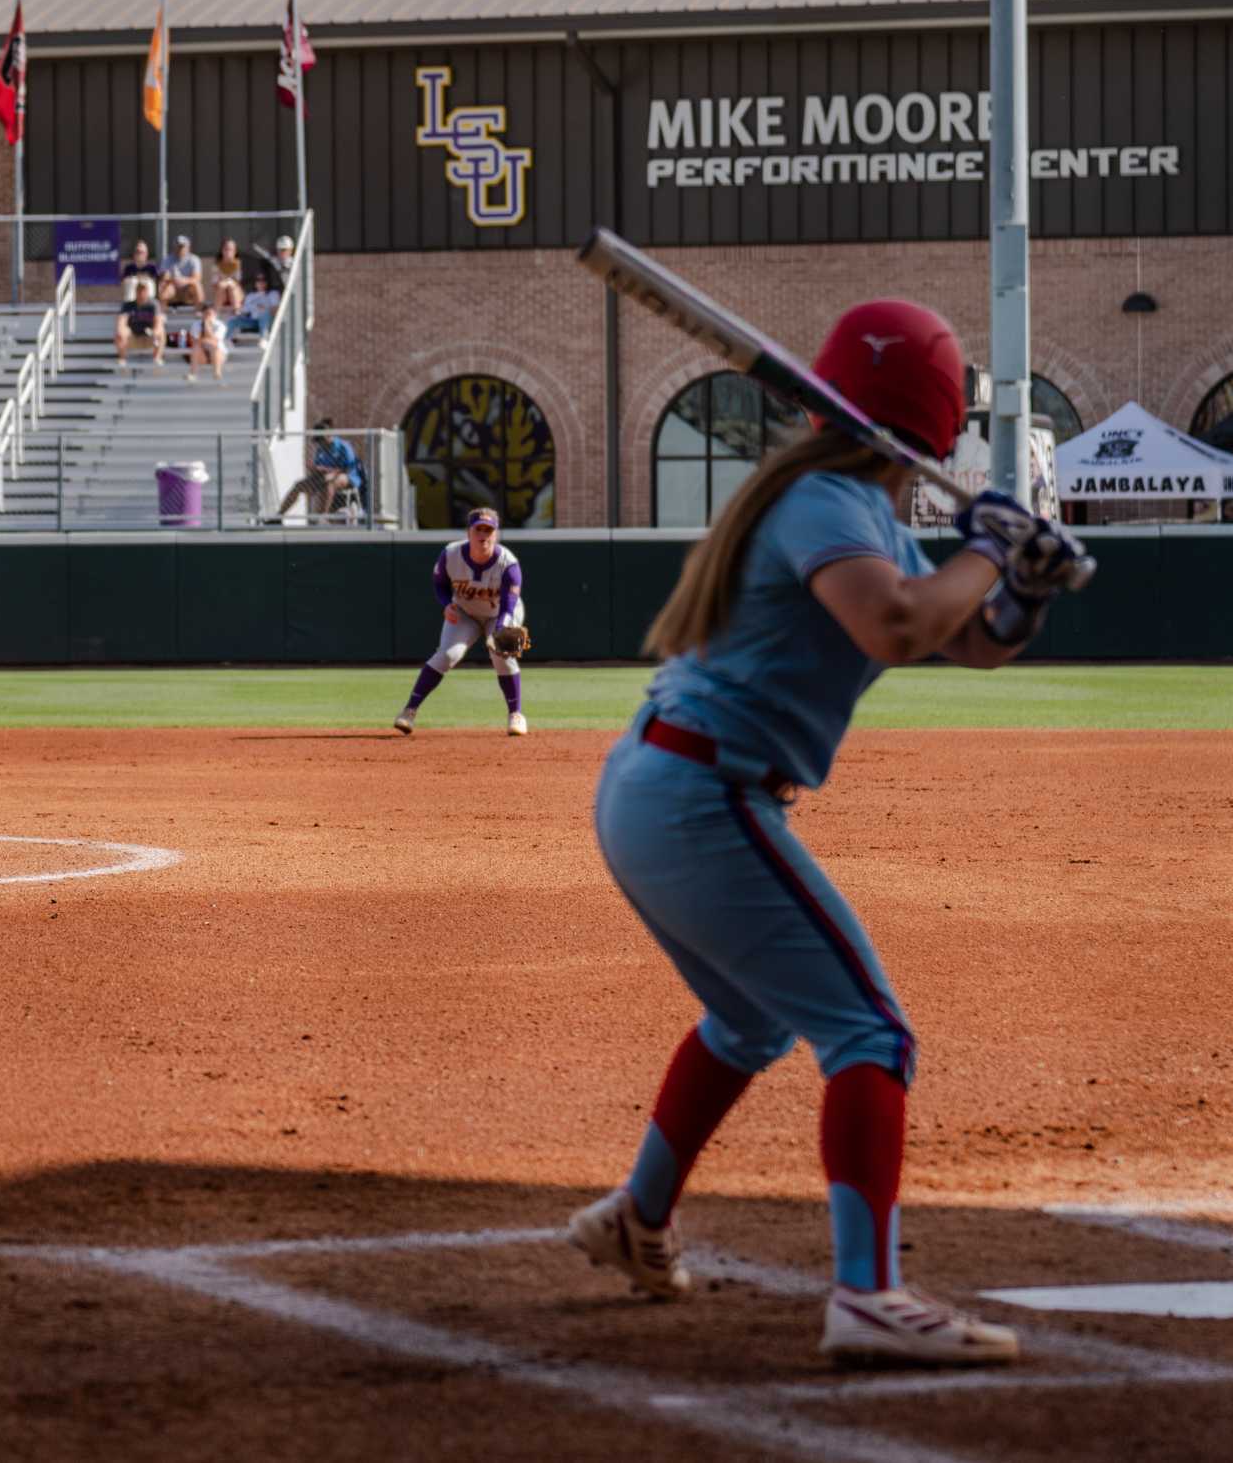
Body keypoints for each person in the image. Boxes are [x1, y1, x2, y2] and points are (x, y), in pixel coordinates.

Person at [566, 300, 1091, 1367]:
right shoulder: (826, 504)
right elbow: (893, 625)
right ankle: (866, 1295)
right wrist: (990, 551)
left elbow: (964, 638)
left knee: (752, 1024)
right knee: (870, 1034)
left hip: (668, 785)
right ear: (937, 425)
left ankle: (637, 1218)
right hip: (701, 797)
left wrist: (1018, 591)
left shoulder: (849, 508)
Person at [391, 508, 525, 736]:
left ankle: (516, 714)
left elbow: (509, 605)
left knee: (501, 656)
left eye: (489, 530)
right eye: (478, 529)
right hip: (465, 613)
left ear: (496, 534)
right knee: (447, 655)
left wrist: (501, 628)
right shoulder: (450, 554)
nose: (483, 534)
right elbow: (440, 584)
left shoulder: (508, 564)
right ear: (469, 532)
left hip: (499, 614)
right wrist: (446, 604)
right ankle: (409, 711)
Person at [271, 418, 363, 522]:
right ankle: (279, 516)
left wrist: (332, 473)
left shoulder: (343, 446)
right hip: (324, 477)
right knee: (298, 486)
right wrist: (315, 469)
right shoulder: (321, 449)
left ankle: (322, 518)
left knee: (330, 484)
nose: (320, 444)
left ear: (328, 436)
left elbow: (349, 467)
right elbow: (319, 467)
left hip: (346, 477)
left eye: (321, 441)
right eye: (318, 442)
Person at [115, 278, 164, 368]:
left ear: (148, 291)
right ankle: (122, 359)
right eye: (139, 290)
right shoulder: (127, 305)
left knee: (161, 331)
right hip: (133, 337)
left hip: (149, 337)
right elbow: (121, 321)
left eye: (144, 290)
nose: (141, 293)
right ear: (135, 291)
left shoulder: (154, 304)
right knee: (120, 332)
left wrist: (155, 332)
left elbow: (158, 322)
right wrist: (122, 330)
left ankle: (157, 358)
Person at [159, 235, 204, 308]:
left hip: (187, 292)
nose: (180, 249)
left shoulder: (194, 259)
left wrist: (184, 280)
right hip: (173, 291)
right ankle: (161, 313)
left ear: (188, 247)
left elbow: (197, 278)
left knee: (197, 285)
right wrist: (173, 280)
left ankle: (200, 311)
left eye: (182, 246)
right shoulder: (167, 259)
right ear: (174, 247)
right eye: (178, 246)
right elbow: (164, 277)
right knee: (163, 285)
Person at [186, 304, 227, 383]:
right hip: (202, 353)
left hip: (218, 355)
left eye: (210, 313)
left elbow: (215, 341)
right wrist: (205, 338)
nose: (207, 316)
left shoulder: (220, 325)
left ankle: (217, 372)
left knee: (215, 348)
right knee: (196, 348)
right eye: (206, 313)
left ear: (215, 314)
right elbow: (195, 341)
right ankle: (193, 373)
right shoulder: (196, 324)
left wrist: (207, 326)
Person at [234, 272, 280, 340]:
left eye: (264, 280)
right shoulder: (250, 296)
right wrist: (253, 307)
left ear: (267, 282)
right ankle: (228, 341)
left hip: (267, 320)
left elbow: (276, 309)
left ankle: (264, 338)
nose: (261, 282)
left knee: (265, 314)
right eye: (258, 280)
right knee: (233, 320)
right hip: (253, 321)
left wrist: (265, 309)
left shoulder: (273, 294)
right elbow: (244, 310)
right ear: (255, 283)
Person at [118, 238, 161, 303]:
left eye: (142, 252)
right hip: (133, 296)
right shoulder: (129, 268)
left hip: (147, 294)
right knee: (132, 281)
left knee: (149, 283)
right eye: (137, 252)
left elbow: (156, 281)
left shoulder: (152, 267)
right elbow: (123, 281)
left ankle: (149, 305)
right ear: (134, 254)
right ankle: (129, 306)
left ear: (146, 254)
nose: (139, 254)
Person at [210, 238, 247, 312]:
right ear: (222, 250)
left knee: (231, 286)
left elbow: (238, 283)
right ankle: (215, 313)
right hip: (222, 295)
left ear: (235, 251)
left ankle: (237, 311)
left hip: (237, 294)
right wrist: (223, 283)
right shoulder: (217, 265)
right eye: (226, 249)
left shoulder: (239, 264)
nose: (228, 252)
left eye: (231, 249)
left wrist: (227, 282)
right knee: (221, 286)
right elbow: (214, 284)